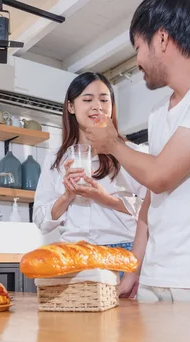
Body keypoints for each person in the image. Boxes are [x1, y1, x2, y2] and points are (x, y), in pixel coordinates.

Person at [84, 0, 190, 305]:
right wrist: (134, 269)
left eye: (138, 47)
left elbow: (161, 174)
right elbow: (151, 199)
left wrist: (112, 144)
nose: (137, 60)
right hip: (156, 277)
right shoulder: (158, 113)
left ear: (161, 39)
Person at [33, 72, 146, 253]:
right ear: (71, 106)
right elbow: (41, 221)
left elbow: (152, 208)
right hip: (73, 252)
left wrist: (105, 198)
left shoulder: (130, 152)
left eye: (104, 100)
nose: (97, 107)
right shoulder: (55, 159)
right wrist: (67, 196)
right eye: (87, 100)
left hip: (120, 250)